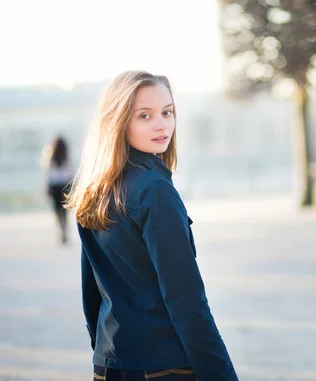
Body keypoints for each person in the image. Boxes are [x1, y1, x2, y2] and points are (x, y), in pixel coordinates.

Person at [65, 71, 238, 381]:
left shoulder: (95, 190)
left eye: (167, 112)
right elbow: (186, 300)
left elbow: (91, 293)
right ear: (118, 121)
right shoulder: (154, 191)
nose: (162, 124)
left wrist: (108, 352)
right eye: (145, 115)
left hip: (109, 365)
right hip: (163, 366)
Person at [41, 136, 73, 244]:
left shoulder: (50, 155)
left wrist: (47, 187)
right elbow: (71, 172)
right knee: (65, 210)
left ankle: (62, 230)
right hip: (65, 185)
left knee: (57, 210)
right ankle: (64, 231)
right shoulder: (67, 155)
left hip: (55, 186)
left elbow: (48, 173)